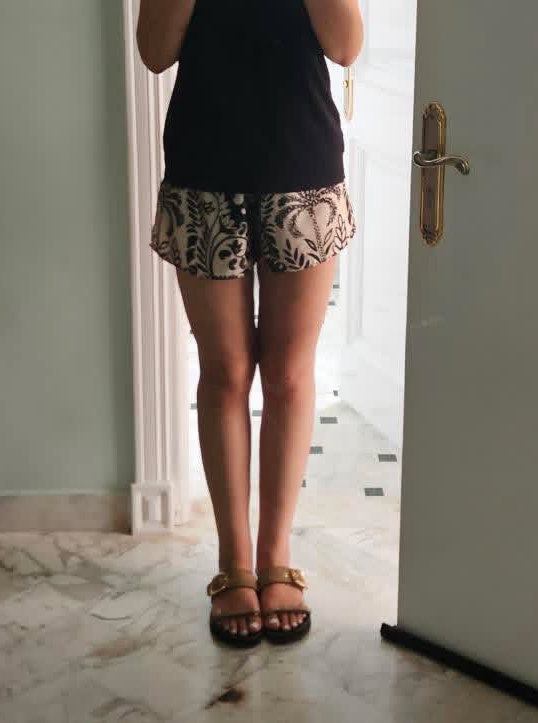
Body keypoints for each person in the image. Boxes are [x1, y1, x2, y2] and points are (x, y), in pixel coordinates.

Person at [137, 0, 363, 647]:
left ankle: (275, 557)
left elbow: (345, 46)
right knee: (226, 373)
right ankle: (234, 562)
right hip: (203, 175)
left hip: (303, 171)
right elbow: (154, 53)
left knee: (289, 376)